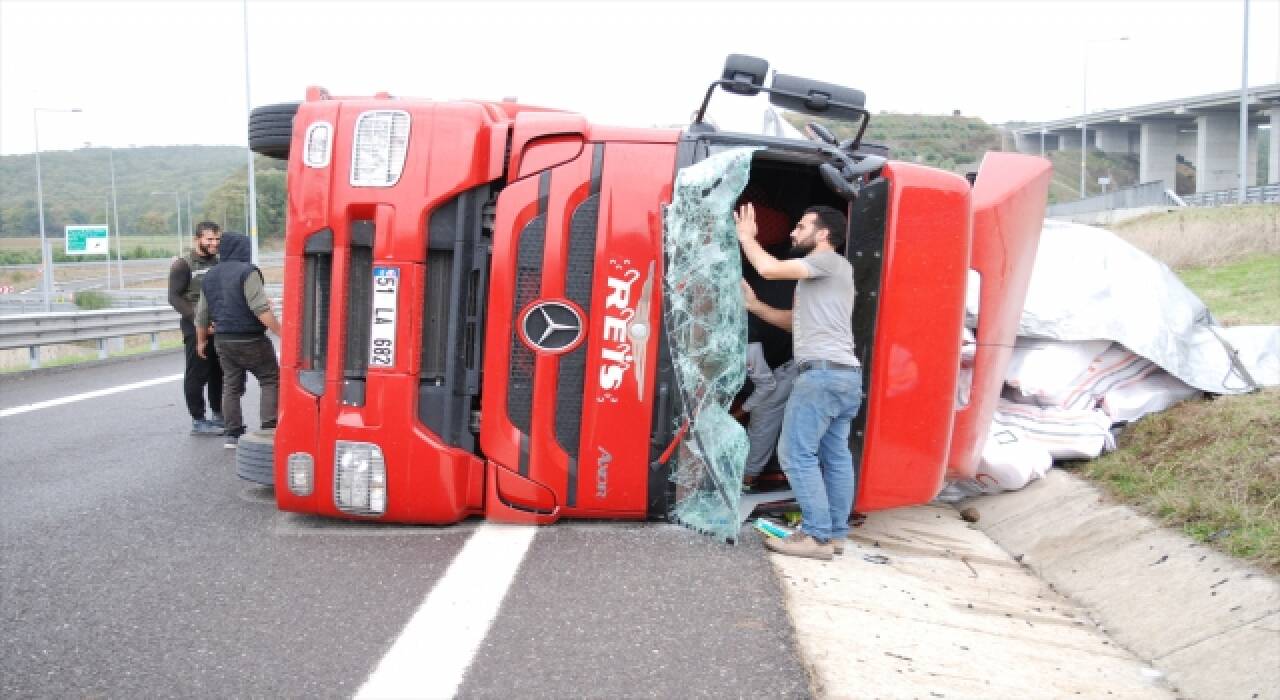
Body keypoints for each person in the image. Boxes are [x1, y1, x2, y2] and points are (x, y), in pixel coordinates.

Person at [738, 203, 862, 561]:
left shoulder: (827, 261)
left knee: (795, 454)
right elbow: (796, 323)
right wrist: (756, 306)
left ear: (823, 235)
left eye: (801, 225)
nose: (793, 231)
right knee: (834, 456)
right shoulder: (832, 273)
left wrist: (747, 236)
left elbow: (768, 267)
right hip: (843, 376)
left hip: (821, 376)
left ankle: (816, 536)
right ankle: (834, 534)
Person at [194, 233, 280, 450]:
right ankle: (269, 428)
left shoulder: (211, 274)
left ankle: (233, 434)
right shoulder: (247, 272)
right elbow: (260, 308)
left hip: (223, 340)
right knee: (269, 379)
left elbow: (202, 313)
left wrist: (201, 341)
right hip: (251, 338)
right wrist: (283, 333)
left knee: (231, 386)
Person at [168, 221, 223, 436]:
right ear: (197, 239)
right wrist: (199, 322)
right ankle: (198, 420)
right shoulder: (183, 264)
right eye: (209, 239)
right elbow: (174, 297)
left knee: (218, 371)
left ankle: (219, 414)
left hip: (218, 324)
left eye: (217, 239)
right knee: (197, 372)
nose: (214, 243)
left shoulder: (219, 261)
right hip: (194, 325)